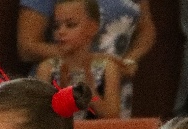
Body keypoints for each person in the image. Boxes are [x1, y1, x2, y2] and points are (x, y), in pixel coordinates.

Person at [18, 0, 155, 81]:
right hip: (61, 79)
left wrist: (129, 61)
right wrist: (94, 60)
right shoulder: (46, 68)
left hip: (114, 81)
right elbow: (27, 47)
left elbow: (146, 28)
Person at [34, 0, 125, 119]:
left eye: (70, 25)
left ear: (92, 28)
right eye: (56, 26)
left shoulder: (108, 68)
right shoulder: (47, 68)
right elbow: (40, 118)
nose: (61, 31)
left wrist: (92, 95)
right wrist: (63, 98)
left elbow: (113, 118)